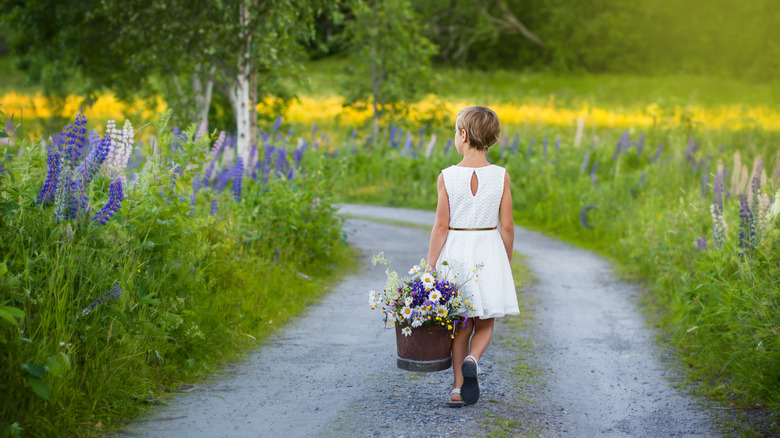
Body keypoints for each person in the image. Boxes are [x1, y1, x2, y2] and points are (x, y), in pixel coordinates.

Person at [426, 106, 520, 407]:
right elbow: (506, 225)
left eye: (456, 131)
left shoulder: (447, 177)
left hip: (456, 251)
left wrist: (430, 267)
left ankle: (456, 389)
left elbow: (441, 226)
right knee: (485, 321)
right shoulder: (501, 176)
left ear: (463, 135)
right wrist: (504, 261)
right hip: (488, 248)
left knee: (460, 324)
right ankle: (473, 358)